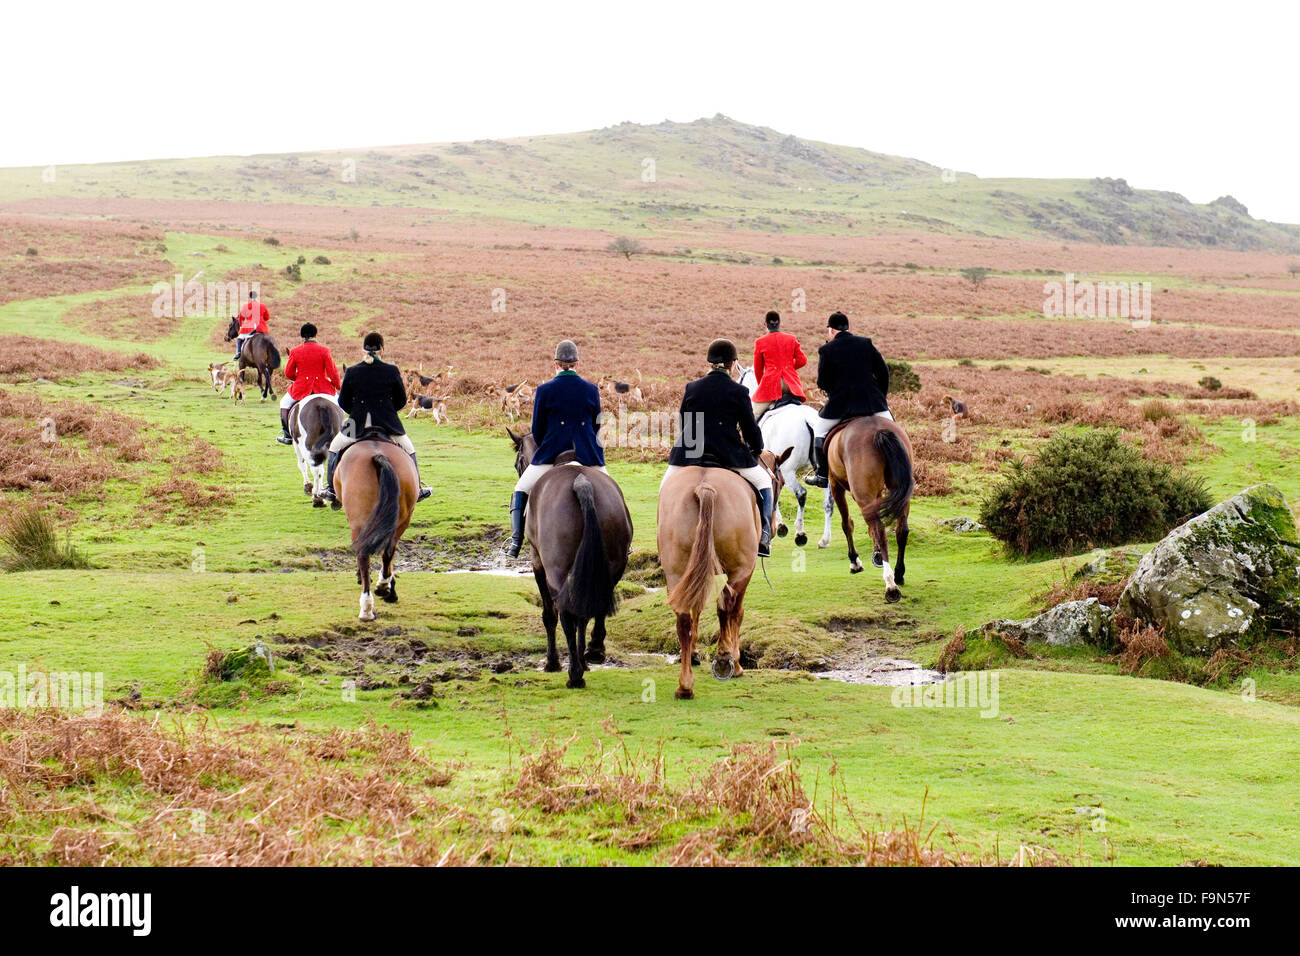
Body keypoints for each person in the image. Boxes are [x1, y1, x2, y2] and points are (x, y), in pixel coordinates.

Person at [663, 338, 774, 558]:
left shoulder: (692, 387)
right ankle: (764, 535)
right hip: (729, 455)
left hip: (690, 454)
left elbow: (685, 422)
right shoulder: (739, 391)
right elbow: (751, 430)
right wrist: (755, 448)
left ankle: (664, 538)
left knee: (665, 490)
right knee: (765, 482)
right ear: (733, 364)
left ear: (709, 362)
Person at [502, 339, 607, 558]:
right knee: (612, 490)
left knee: (520, 488)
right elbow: (596, 424)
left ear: (555, 364)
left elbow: (537, 430)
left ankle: (515, 541)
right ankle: (624, 544)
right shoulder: (591, 389)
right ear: (577, 365)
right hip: (588, 455)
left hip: (552, 454)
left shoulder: (544, 390)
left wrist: (551, 443)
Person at [320, 332, 431, 507]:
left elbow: (343, 402)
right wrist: (387, 411)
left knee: (335, 447)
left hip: (356, 424)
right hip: (388, 424)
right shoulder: (392, 370)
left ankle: (331, 489)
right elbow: (401, 400)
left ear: (363, 350)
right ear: (382, 350)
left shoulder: (352, 371)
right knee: (409, 449)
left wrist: (356, 411)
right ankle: (418, 489)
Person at [806, 311, 892, 488]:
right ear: (848, 328)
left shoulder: (826, 350)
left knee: (819, 430)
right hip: (872, 402)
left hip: (840, 406)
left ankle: (821, 476)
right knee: (895, 430)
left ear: (831, 330)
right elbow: (883, 372)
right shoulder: (865, 343)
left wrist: (833, 393)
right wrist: (880, 397)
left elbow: (822, 381)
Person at [277, 323, 342, 445]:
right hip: (323, 387)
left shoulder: (295, 351)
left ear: (303, 336)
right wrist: (338, 386)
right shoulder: (324, 350)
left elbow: (288, 373)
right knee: (340, 405)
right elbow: (333, 373)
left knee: (284, 403)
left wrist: (298, 378)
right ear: (315, 334)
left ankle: (287, 435)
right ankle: (344, 433)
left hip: (301, 388)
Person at [750, 310, 807, 420]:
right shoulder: (791, 338)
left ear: (766, 325)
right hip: (791, 384)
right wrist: (788, 368)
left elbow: (758, 370)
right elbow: (802, 360)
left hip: (772, 383)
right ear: (779, 323)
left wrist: (762, 386)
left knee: (752, 417)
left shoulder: (760, 342)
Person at [234, 290, 270, 362]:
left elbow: (241, 318)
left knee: (239, 339)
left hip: (249, 327)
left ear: (250, 297)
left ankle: (238, 353)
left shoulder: (246, 306)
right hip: (261, 328)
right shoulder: (263, 306)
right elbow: (267, 317)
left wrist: (241, 326)